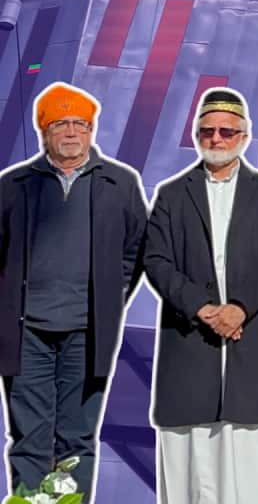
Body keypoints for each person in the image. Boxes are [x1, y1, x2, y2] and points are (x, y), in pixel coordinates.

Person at [0, 82, 146, 502]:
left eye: (79, 124)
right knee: (29, 437)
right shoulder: (15, 185)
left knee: (77, 438)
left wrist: (110, 295)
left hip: (89, 332)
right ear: (44, 131)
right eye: (60, 124)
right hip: (27, 332)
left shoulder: (120, 184)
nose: (70, 132)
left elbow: (135, 250)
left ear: (91, 130)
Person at [143, 88, 258, 503]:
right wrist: (202, 308)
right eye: (208, 131)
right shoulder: (172, 194)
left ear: (244, 136)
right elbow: (157, 260)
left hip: (248, 350)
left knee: (246, 473)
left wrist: (239, 308)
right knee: (188, 475)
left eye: (227, 131)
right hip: (190, 345)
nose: (217, 139)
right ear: (196, 135)